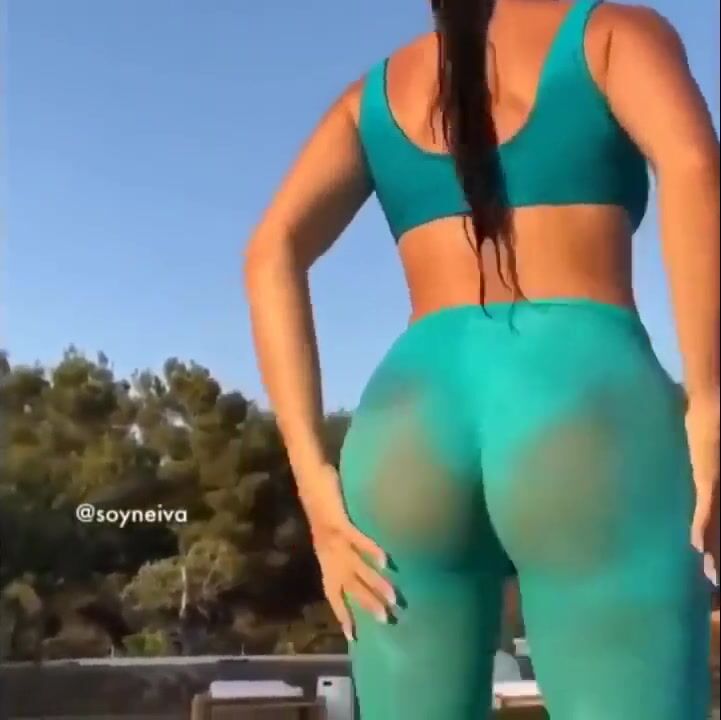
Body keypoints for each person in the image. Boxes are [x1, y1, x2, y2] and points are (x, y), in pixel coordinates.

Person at [244, 0, 719, 717]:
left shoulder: (370, 98)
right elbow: (693, 164)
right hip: (582, 404)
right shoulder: (612, 34)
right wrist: (709, 400)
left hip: (408, 424)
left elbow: (270, 251)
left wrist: (314, 484)